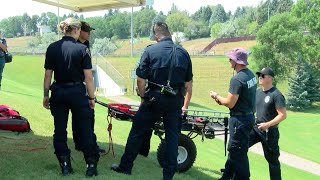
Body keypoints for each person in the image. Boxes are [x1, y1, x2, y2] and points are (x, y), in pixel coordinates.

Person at [111, 22, 193, 180]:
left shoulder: (150, 50)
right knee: (172, 138)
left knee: (137, 132)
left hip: (154, 98)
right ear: (169, 33)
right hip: (175, 100)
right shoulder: (184, 53)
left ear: (156, 35)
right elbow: (188, 84)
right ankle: (168, 176)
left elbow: (141, 80)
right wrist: (185, 105)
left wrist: (143, 98)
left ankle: (125, 166)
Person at [42, 17, 99, 177]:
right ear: (75, 30)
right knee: (85, 130)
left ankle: (65, 166)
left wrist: (46, 95)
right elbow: (88, 78)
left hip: (58, 92)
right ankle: (90, 165)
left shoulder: (52, 48)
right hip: (77, 93)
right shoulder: (82, 49)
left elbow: (48, 76)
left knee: (59, 130)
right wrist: (92, 97)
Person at [210, 48, 257, 180]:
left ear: (237, 61)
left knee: (237, 151)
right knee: (236, 149)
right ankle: (226, 177)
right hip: (248, 117)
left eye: (231, 59)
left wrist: (216, 96)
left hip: (239, 119)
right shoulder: (251, 75)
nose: (229, 61)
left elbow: (230, 103)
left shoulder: (237, 79)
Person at [72, 21, 106, 154]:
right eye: (88, 31)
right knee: (85, 116)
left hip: (84, 85)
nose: (89, 34)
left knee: (87, 117)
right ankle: (83, 144)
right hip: (79, 86)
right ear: (80, 31)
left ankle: (87, 143)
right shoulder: (76, 46)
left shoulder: (86, 44)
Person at [249, 67, 286, 180]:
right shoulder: (258, 92)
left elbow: (282, 115)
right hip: (256, 128)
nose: (260, 77)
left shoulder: (276, 94)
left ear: (270, 78)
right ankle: (237, 176)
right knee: (240, 147)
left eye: (263, 75)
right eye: (259, 75)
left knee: (272, 160)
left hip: (270, 132)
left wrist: (268, 124)